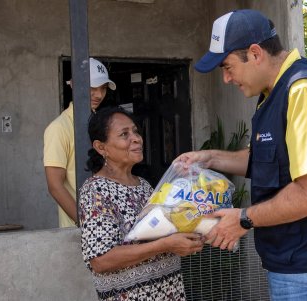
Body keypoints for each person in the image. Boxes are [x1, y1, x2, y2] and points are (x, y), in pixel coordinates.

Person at [177, 9, 307, 300]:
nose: (226, 79)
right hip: (295, 265)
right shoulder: (272, 95)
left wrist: (243, 219)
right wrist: (210, 158)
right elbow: (268, 161)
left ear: (255, 54)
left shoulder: (304, 93)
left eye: (227, 67)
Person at [79, 106, 203, 300]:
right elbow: (100, 260)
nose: (136, 138)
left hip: (168, 291)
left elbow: (164, 230)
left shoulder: (143, 185)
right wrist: (165, 245)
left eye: (135, 131)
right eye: (124, 134)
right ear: (101, 147)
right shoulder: (96, 191)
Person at [43, 58, 116, 227]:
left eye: (103, 88)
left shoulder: (100, 124)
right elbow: (55, 185)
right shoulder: (59, 128)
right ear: (74, 85)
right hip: (81, 232)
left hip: (110, 224)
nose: (98, 95)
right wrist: (86, 224)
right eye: (92, 88)